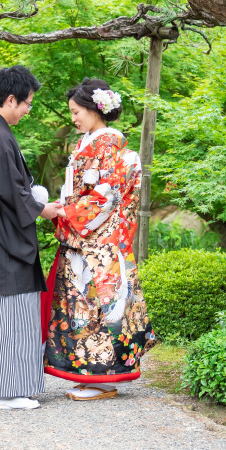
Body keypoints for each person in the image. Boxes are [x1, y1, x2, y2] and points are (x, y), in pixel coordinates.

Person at [45, 77, 156, 401]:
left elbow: (103, 196)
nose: (73, 118)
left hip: (97, 243)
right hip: (89, 240)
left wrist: (65, 213)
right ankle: (88, 373)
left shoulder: (106, 145)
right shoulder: (93, 142)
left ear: (95, 110)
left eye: (77, 111)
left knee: (98, 306)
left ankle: (103, 379)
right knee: (84, 308)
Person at [0, 66, 63, 409]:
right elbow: (12, 194)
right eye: (27, 104)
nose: (28, 110)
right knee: (8, 319)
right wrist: (44, 208)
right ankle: (3, 393)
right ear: (10, 99)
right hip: (4, 244)